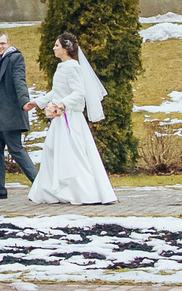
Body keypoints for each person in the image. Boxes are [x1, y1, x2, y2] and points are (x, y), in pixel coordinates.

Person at [28, 31, 118, 206]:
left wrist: (62, 104)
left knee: (73, 155)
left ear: (65, 48)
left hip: (70, 119)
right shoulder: (62, 67)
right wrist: (37, 102)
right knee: (53, 150)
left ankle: (84, 191)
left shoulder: (73, 67)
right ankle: (53, 190)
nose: (54, 48)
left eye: (56, 45)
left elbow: (79, 93)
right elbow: (57, 92)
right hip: (60, 119)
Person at [0, 32, 36, 199]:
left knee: (15, 149)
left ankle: (40, 183)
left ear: (8, 43)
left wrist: (24, 102)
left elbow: (20, 81)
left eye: (2, 43)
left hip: (11, 114)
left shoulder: (15, 58)